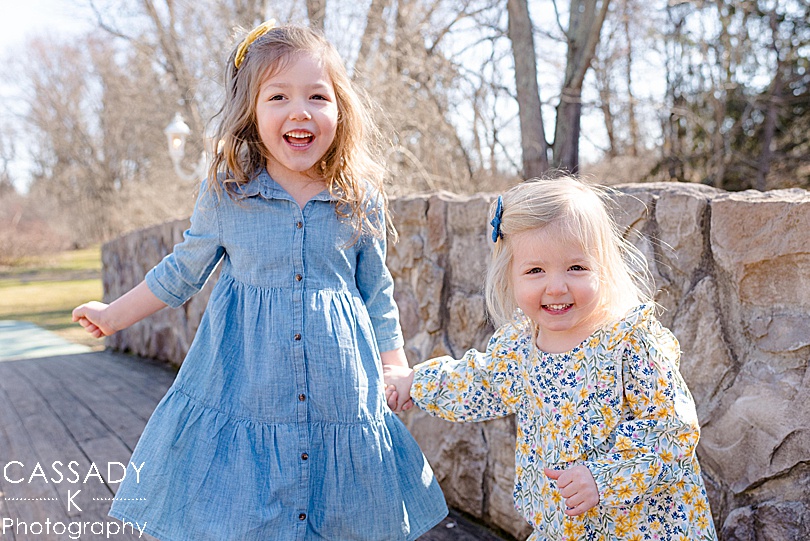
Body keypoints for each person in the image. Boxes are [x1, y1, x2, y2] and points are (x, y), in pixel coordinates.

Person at [73, 20, 447, 541]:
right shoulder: (228, 195)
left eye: (317, 96)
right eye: (278, 96)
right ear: (251, 112)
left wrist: (394, 366)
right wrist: (113, 315)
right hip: (248, 391)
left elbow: (376, 291)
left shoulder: (358, 198)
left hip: (340, 392)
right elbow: (181, 272)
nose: (300, 110)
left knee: (343, 513)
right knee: (250, 514)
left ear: (340, 110)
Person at [386, 176, 718, 540]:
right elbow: (478, 382)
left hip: (642, 527)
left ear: (603, 267)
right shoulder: (521, 346)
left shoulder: (629, 342)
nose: (557, 287)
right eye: (535, 271)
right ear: (510, 276)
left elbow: (672, 429)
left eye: (576, 268)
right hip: (566, 527)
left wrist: (602, 477)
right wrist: (416, 382)